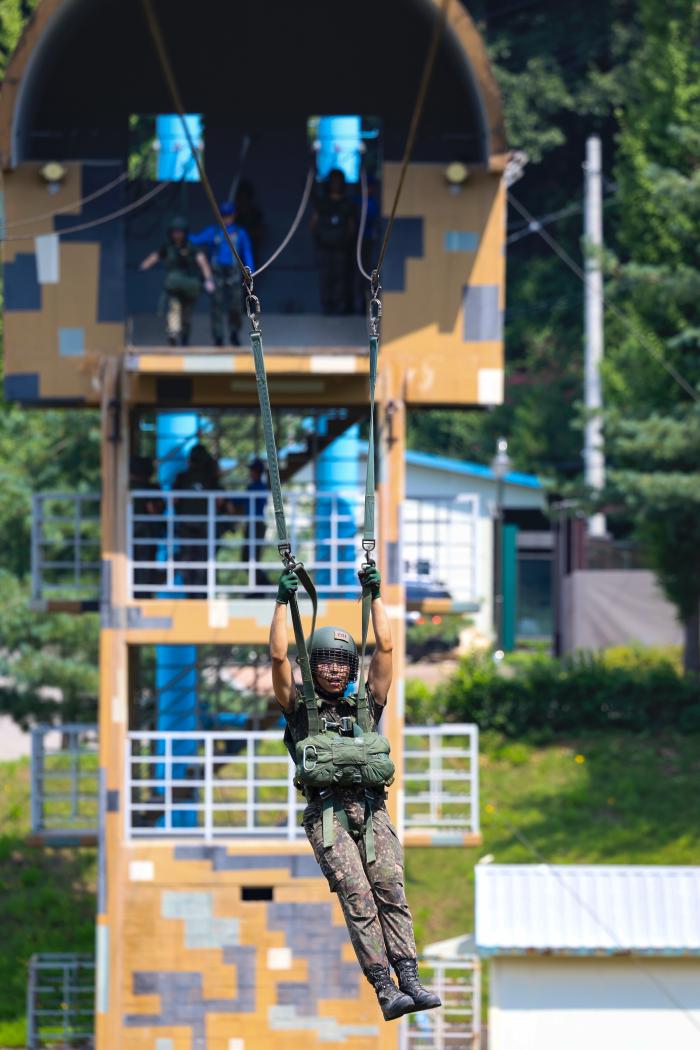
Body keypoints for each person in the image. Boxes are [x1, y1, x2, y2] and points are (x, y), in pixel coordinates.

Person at [269, 564, 441, 1022]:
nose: (331, 669)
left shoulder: (365, 706)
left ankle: (411, 978)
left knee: (390, 891)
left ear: (350, 668)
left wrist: (376, 596)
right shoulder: (300, 710)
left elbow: (386, 647)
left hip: (372, 811)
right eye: (324, 661)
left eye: (341, 662)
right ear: (313, 664)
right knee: (358, 896)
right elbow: (277, 660)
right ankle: (384, 986)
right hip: (328, 816)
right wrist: (282, 604)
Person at [139, 216, 214, 346]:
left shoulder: (191, 248)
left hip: (190, 286)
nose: (177, 235)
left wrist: (208, 279)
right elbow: (155, 256)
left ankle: (185, 338)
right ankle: (173, 334)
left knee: (187, 316)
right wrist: (144, 266)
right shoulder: (168, 247)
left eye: (179, 232)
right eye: (175, 232)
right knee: (174, 308)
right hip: (174, 287)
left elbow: (202, 262)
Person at [190, 202, 254, 346]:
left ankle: (234, 333)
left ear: (234, 216)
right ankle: (218, 336)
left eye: (229, 216)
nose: (226, 219)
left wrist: (250, 271)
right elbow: (196, 239)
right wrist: (184, 234)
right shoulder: (214, 231)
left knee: (236, 305)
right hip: (217, 273)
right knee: (216, 306)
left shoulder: (240, 233)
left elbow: (247, 252)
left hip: (233, 273)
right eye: (223, 216)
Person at [173, 443, 222, 591]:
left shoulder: (182, 477)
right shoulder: (211, 478)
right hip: (205, 526)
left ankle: (191, 592)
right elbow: (220, 501)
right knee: (203, 560)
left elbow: (174, 500)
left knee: (187, 560)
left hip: (186, 525)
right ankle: (201, 592)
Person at [310, 169, 357, 315]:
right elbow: (313, 222)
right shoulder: (323, 202)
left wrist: (345, 241)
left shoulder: (347, 204)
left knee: (341, 278)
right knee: (325, 278)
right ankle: (327, 308)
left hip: (341, 249)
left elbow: (351, 226)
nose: (335, 184)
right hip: (324, 247)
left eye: (338, 181)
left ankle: (340, 308)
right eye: (333, 181)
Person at [129, 455, 165, 597]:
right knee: (145, 565)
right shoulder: (151, 489)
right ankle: (143, 592)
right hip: (146, 533)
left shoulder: (127, 488)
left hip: (133, 533)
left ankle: (140, 591)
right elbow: (154, 510)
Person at [239, 457, 269, 589]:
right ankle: (259, 588)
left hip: (256, 525)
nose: (249, 472)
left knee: (250, 559)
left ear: (256, 472)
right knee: (250, 559)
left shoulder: (256, 487)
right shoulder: (258, 487)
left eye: (251, 470)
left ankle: (264, 587)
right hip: (255, 525)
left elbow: (241, 500)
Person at [234, 179, 265, 264]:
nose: (242, 199)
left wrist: (245, 235)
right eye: (240, 196)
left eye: (244, 196)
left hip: (251, 249)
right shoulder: (235, 213)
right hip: (236, 252)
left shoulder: (255, 213)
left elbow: (260, 232)